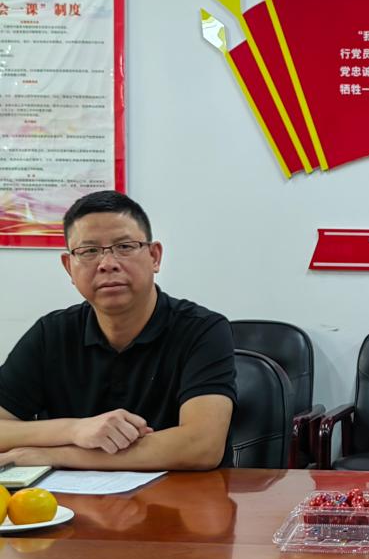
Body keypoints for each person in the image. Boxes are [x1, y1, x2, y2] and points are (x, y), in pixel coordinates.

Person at [0, 190, 236, 471]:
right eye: (89, 251)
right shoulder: (51, 334)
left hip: (182, 496)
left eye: (124, 246)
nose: (107, 264)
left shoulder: (203, 330)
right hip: (69, 498)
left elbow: (201, 446)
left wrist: (55, 455)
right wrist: (75, 429)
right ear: (69, 267)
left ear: (154, 256)